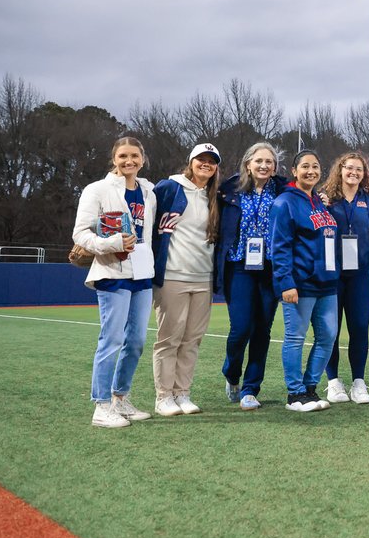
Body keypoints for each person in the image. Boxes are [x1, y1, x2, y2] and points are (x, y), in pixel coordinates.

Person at [72, 136, 157, 428]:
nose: (129, 161)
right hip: (112, 272)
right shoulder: (97, 190)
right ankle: (101, 406)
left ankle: (120, 399)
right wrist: (111, 243)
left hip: (142, 272)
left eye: (134, 156)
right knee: (112, 340)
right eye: (123, 156)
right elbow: (80, 233)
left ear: (142, 159)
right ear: (114, 159)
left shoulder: (149, 190)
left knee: (136, 342)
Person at [150, 143, 221, 417]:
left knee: (192, 339)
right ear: (190, 162)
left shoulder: (214, 196)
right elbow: (145, 214)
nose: (206, 164)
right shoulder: (170, 188)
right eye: (201, 159)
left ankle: (182, 393)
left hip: (203, 278)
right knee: (169, 338)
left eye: (211, 161)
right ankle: (163, 396)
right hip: (172, 275)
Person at [216, 142, 285, 411]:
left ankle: (250, 388)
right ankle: (232, 373)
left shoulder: (282, 189)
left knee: (262, 330)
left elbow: (307, 197)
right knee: (241, 327)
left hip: (270, 266)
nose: (264, 165)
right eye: (259, 161)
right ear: (248, 163)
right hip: (239, 264)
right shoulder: (228, 190)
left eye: (269, 162)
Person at [271, 150, 339, 412]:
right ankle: (295, 393)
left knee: (328, 337)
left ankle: (310, 388)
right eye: (305, 167)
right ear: (294, 171)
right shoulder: (285, 202)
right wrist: (286, 282)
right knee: (295, 337)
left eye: (315, 166)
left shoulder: (319, 203)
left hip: (327, 284)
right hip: (300, 283)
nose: (311, 171)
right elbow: (279, 246)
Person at [322, 151, 369, 405]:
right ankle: (333, 382)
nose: (353, 172)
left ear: (364, 174)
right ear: (339, 170)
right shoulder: (325, 198)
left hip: (360, 275)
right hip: (333, 274)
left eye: (359, 169)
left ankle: (359, 382)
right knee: (330, 330)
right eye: (349, 168)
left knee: (359, 328)